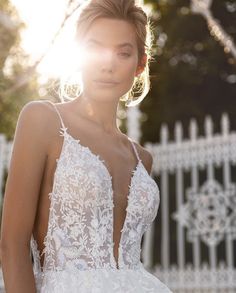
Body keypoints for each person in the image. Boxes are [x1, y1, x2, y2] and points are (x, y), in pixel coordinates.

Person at [0, 0, 172, 292]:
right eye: (94, 48)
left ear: (140, 64)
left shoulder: (142, 158)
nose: (107, 63)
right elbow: (11, 245)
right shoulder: (43, 121)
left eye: (123, 52)